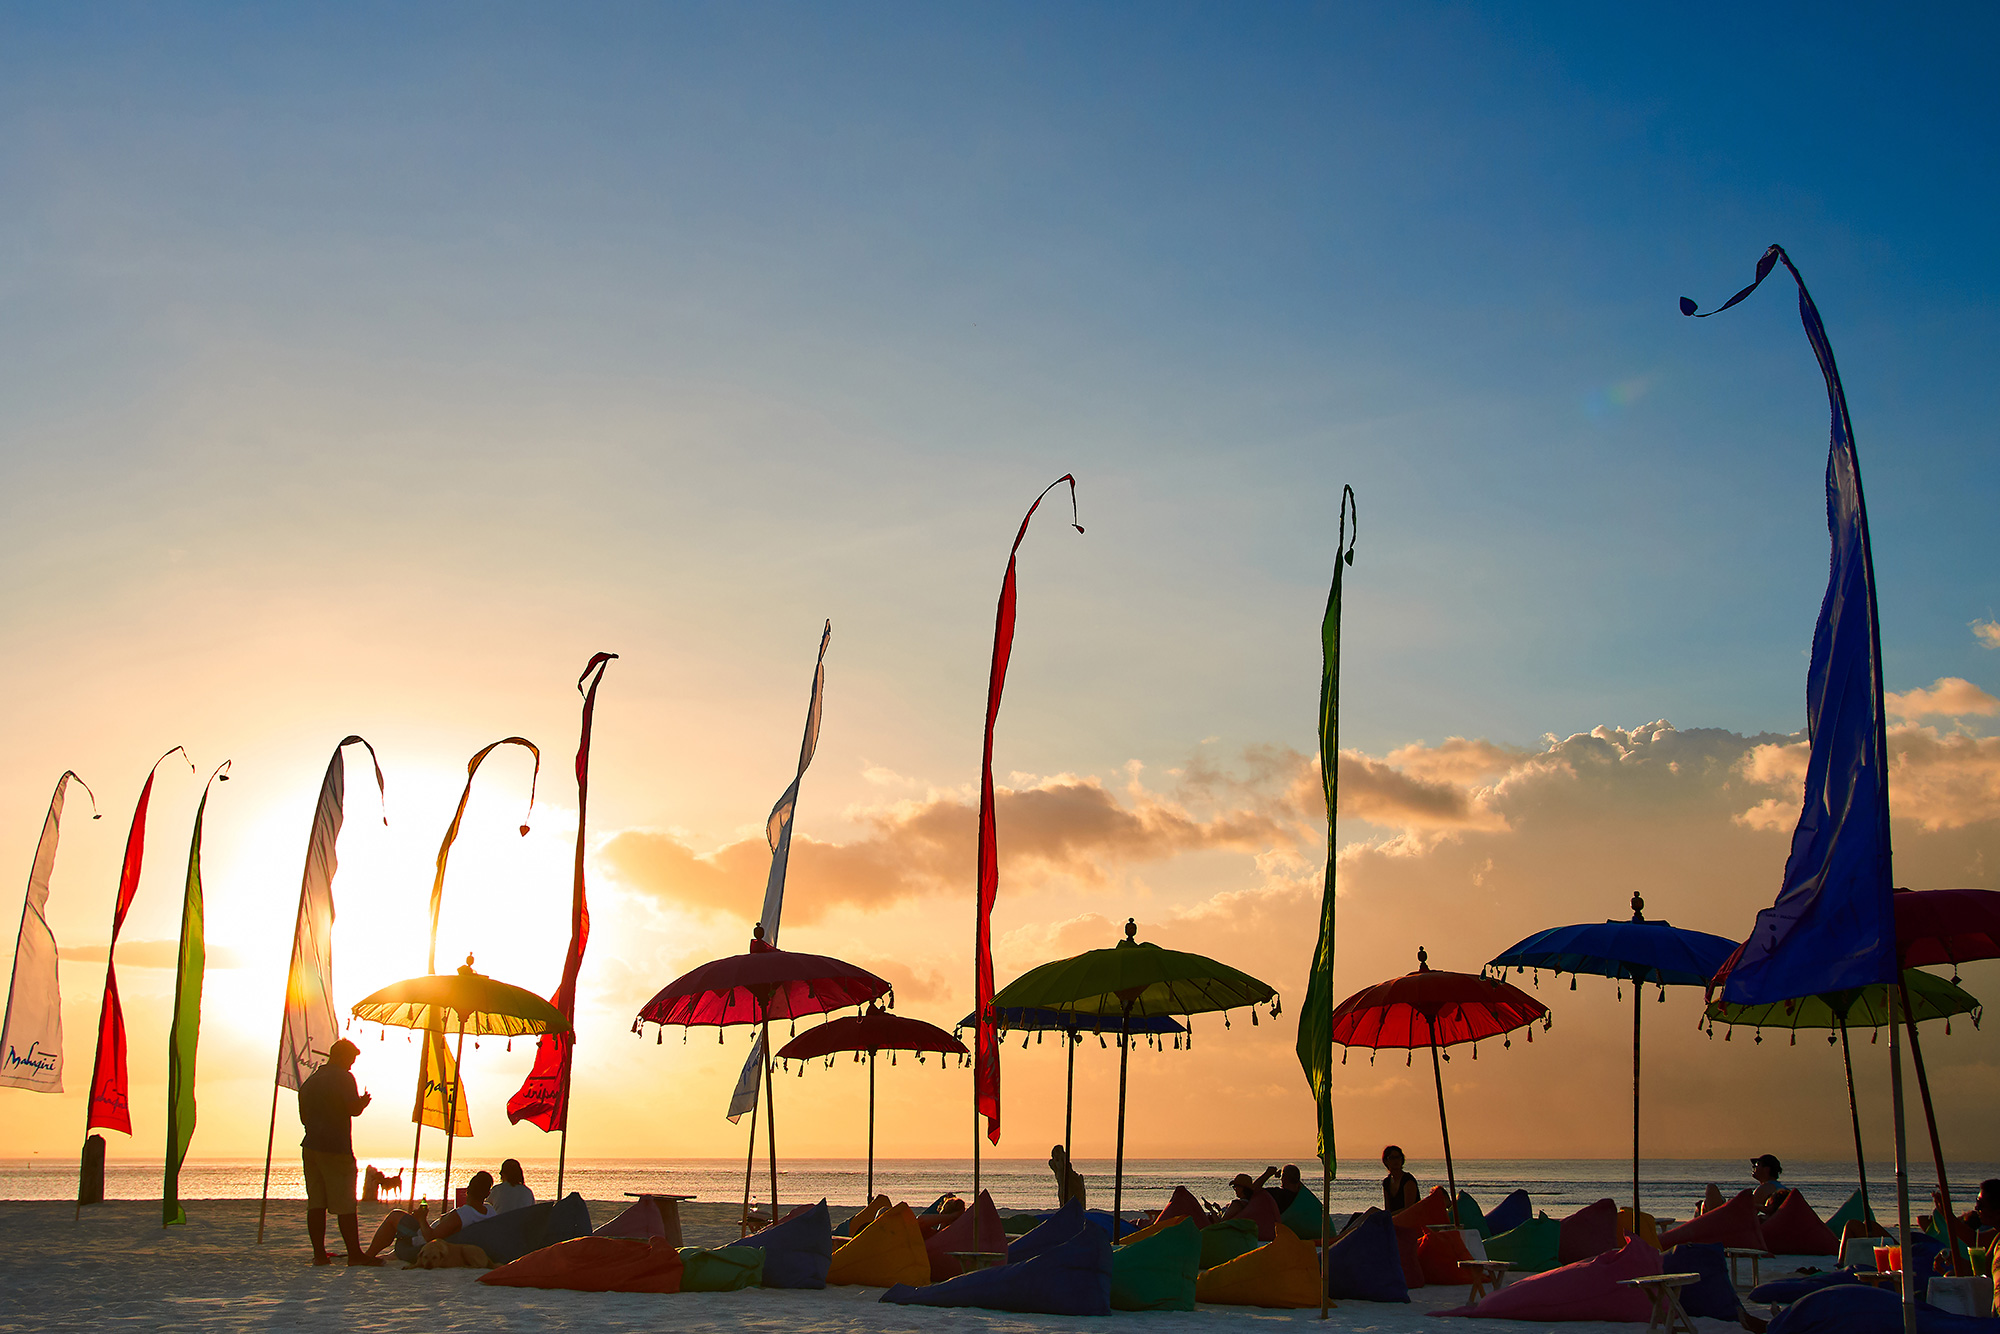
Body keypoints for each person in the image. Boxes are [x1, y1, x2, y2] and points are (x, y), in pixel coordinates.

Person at [298, 1038, 378, 1266]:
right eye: (351, 1059)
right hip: (335, 1147)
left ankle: (320, 1255)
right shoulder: (343, 1077)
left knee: (316, 1202)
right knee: (345, 1202)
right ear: (342, 1057)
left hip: (311, 1145)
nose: (352, 1065)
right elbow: (352, 1109)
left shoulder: (311, 1081)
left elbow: (303, 1117)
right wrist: (363, 1102)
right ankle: (354, 1254)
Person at [363, 1170, 499, 1261]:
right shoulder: (490, 1211)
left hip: (424, 1249)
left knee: (395, 1216)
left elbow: (430, 1238)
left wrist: (422, 1218)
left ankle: (368, 1256)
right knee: (403, 1219)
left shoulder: (462, 1214)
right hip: (455, 1246)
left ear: (467, 1190)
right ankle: (382, 1255)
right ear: (487, 1194)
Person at [1702, 1154, 1786, 1215]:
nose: (1753, 1167)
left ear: (1767, 1169)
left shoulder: (1766, 1188)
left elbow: (1748, 1212)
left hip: (1735, 1225)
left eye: (1757, 1164)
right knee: (1710, 1200)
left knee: (1711, 1188)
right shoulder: (1779, 1187)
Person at [1933, 1178, 2000, 1248]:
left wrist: (1947, 1213)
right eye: (1977, 1202)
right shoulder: (1997, 1237)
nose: (1976, 1208)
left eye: (1980, 1204)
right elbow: (1975, 1241)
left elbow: (1974, 1241)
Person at [1382, 1145, 1421, 1212]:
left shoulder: (1407, 1180)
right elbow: (1388, 1209)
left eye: (1398, 1157)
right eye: (1392, 1158)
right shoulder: (1387, 1182)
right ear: (1386, 1161)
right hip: (1394, 1219)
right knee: (1372, 1211)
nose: (1396, 1161)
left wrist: (1389, 1216)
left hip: (1410, 1217)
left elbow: (1409, 1208)